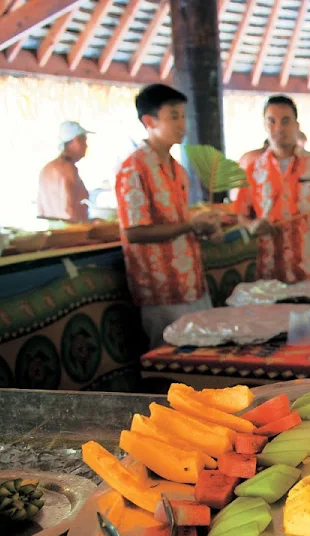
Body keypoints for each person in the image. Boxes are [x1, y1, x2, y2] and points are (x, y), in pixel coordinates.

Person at [114, 84, 221, 348]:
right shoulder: (133, 169)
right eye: (174, 116)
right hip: (160, 288)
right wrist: (189, 225)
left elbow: (179, 225)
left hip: (191, 282)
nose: (182, 123)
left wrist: (202, 228)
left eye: (183, 116)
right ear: (149, 121)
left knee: (203, 359)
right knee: (173, 364)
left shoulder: (178, 170)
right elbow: (134, 232)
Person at [233, 96, 310, 282]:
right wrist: (251, 225)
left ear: (296, 124)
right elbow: (240, 214)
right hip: (270, 272)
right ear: (265, 125)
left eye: (285, 121)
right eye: (272, 121)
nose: (278, 128)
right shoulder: (253, 170)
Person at [38, 121, 92, 221]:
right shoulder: (68, 170)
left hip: (51, 231)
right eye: (84, 141)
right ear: (76, 141)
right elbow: (70, 209)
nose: (86, 146)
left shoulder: (46, 169)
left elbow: (41, 210)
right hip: (69, 233)